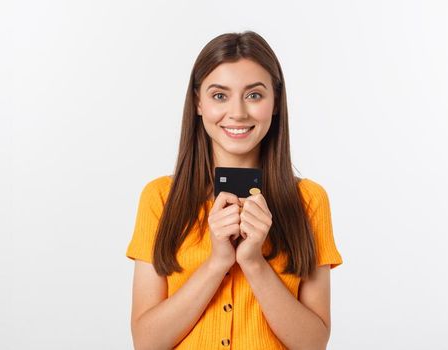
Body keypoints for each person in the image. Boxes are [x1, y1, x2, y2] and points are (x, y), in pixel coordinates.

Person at [125, 31, 343, 350]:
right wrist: (217, 262)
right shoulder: (160, 198)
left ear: (276, 102)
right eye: (219, 96)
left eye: (254, 95)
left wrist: (253, 262)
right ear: (198, 102)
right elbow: (146, 343)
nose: (238, 112)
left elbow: (313, 344)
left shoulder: (309, 201)